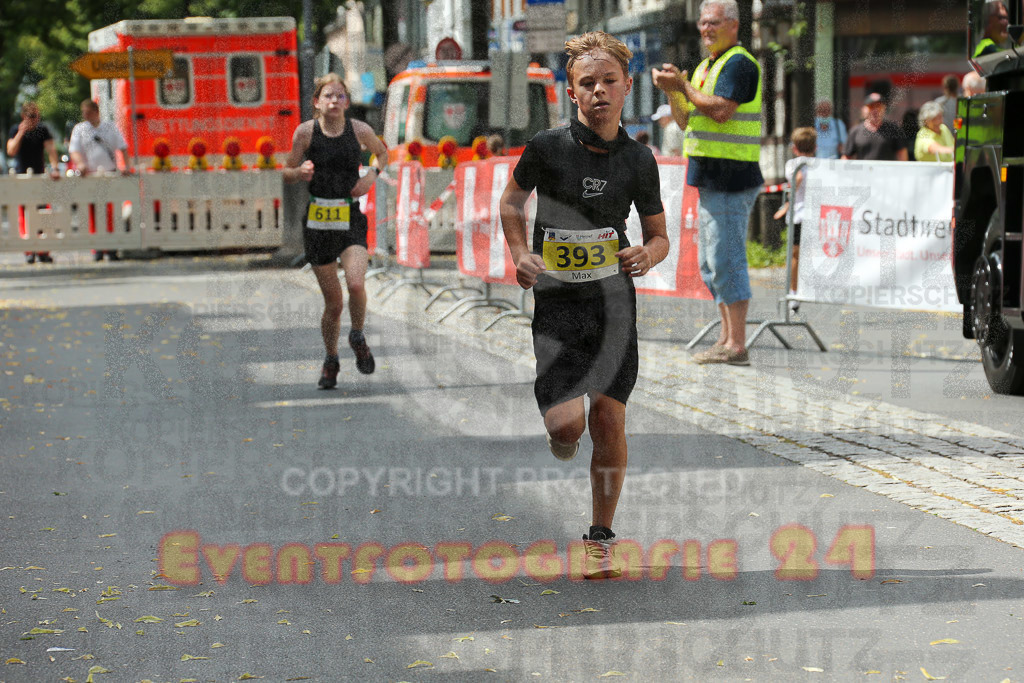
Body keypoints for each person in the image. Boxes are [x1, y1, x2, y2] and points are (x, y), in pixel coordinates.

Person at [500, 31, 669, 579]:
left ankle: (600, 538)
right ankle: (560, 432)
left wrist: (648, 254)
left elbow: (659, 236)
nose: (599, 91)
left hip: (612, 305)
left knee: (609, 416)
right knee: (569, 426)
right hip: (557, 304)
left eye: (609, 82)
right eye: (587, 83)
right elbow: (510, 203)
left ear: (627, 87)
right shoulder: (548, 149)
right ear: (571, 93)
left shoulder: (640, 158)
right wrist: (522, 254)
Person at [652, 0, 763, 366]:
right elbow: (685, 121)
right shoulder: (706, 66)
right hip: (712, 176)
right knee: (712, 263)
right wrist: (672, 91)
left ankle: (737, 344)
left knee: (726, 259)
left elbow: (720, 110)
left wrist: (682, 83)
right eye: (702, 23)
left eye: (713, 22)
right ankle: (727, 339)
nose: (705, 29)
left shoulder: (739, 63)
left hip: (732, 176)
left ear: (733, 25)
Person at [283, 73, 387, 389]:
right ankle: (330, 359)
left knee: (356, 284)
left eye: (340, 96)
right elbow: (286, 171)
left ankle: (357, 335)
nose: (334, 101)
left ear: (347, 101)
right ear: (316, 102)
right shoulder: (305, 133)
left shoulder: (359, 130)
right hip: (317, 222)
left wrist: (371, 176)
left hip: (349, 218)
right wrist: (298, 172)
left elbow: (382, 153)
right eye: (328, 96)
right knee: (334, 302)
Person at [69, 99, 129, 261]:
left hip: (108, 174)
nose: (85, 116)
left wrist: (126, 166)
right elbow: (74, 150)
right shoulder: (80, 129)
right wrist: (80, 163)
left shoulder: (109, 127)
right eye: (84, 113)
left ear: (96, 112)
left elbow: (123, 147)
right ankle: (97, 247)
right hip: (90, 176)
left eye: (88, 112)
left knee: (110, 211)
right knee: (93, 211)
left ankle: (110, 246)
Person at [7, 101, 59, 264]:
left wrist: (55, 167)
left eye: (36, 116)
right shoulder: (15, 129)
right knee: (24, 214)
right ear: (24, 116)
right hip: (22, 178)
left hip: (39, 177)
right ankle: (29, 250)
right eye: (31, 116)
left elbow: (51, 149)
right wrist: (21, 133)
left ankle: (43, 250)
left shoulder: (42, 130)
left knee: (43, 213)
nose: (35, 119)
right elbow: (11, 150)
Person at [773, 127, 815, 314]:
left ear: (794, 147)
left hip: (798, 214)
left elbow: (797, 177)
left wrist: (788, 204)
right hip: (815, 214)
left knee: (796, 256)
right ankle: (804, 290)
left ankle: (794, 293)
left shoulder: (792, 164)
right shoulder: (820, 163)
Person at [842, 93, 908, 161]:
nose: (875, 110)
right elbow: (846, 157)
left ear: (884, 108)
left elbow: (902, 156)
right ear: (864, 109)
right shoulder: (855, 131)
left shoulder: (894, 130)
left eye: (878, 106)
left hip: (887, 171)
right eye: (871, 106)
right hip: (864, 171)